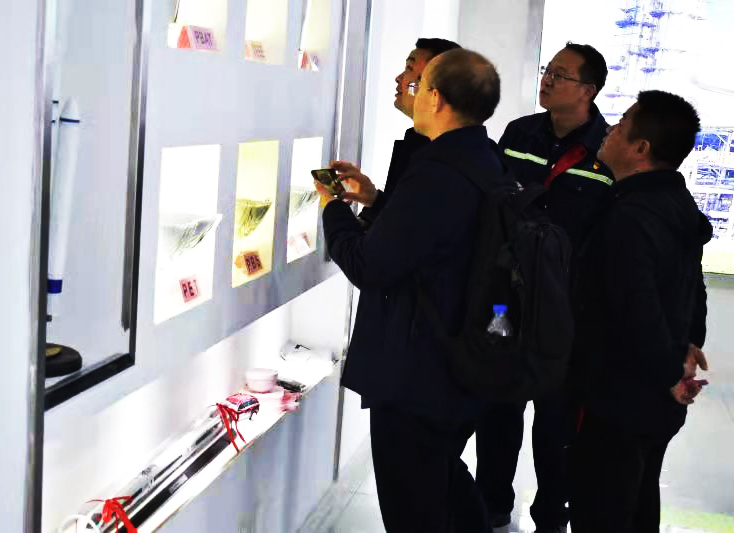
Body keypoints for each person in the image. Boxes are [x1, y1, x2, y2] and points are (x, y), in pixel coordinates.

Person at [315, 48, 511, 533]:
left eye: (419, 85)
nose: (411, 91)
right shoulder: (483, 159)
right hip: (461, 362)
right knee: (445, 483)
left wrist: (332, 209)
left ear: (436, 98)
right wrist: (375, 200)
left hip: (419, 372)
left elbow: (371, 266)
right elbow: (433, 243)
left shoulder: (437, 172)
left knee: (414, 508)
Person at [475, 42, 614, 533]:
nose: (548, 80)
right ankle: (492, 504)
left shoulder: (606, 150)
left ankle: (552, 514)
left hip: (566, 307)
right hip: (506, 298)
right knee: (497, 406)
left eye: (561, 74)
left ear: (588, 90)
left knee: (557, 422)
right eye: (547, 70)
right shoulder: (519, 133)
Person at [569, 90, 711, 532]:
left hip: (621, 398)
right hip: (651, 398)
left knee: (603, 511)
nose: (610, 130)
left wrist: (671, 373)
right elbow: (692, 286)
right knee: (638, 505)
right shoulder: (674, 203)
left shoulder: (631, 215)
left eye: (621, 125)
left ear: (640, 148)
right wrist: (687, 347)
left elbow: (638, 307)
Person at [331, 37, 461, 227]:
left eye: (409, 68)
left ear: (432, 88)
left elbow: (399, 234)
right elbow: (402, 218)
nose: (399, 78)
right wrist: (374, 199)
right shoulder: (420, 142)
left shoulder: (439, 160)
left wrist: (333, 208)